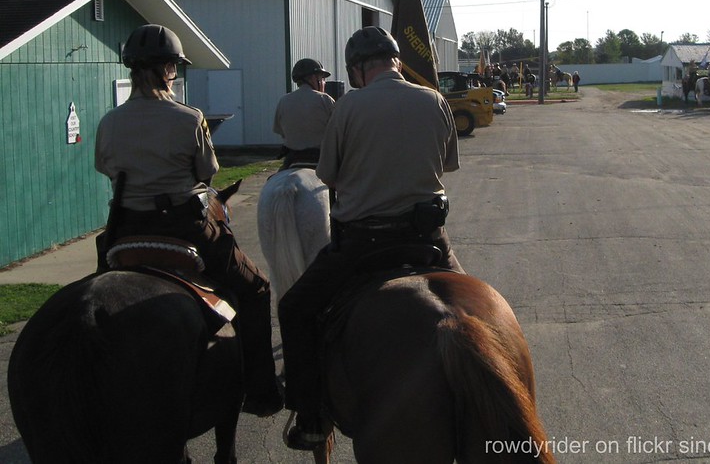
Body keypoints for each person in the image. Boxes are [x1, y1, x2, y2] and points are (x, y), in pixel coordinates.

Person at [278, 26, 465, 450]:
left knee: (295, 309)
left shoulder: (348, 106)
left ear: (359, 69)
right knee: (475, 309)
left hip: (364, 242)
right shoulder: (434, 99)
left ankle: (309, 416)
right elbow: (448, 165)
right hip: (428, 239)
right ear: (396, 60)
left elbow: (326, 174)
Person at [95, 24, 283, 417]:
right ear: (169, 69)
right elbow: (208, 171)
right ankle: (262, 391)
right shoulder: (188, 117)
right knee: (257, 289)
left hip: (125, 228)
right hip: (183, 227)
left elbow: (104, 167)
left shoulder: (110, 121)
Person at [273, 58, 336, 169]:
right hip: (321, 158)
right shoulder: (325, 99)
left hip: (292, 158)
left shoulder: (283, 101)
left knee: (273, 181)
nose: (324, 82)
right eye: (322, 78)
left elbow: (280, 131)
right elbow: (338, 132)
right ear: (313, 78)